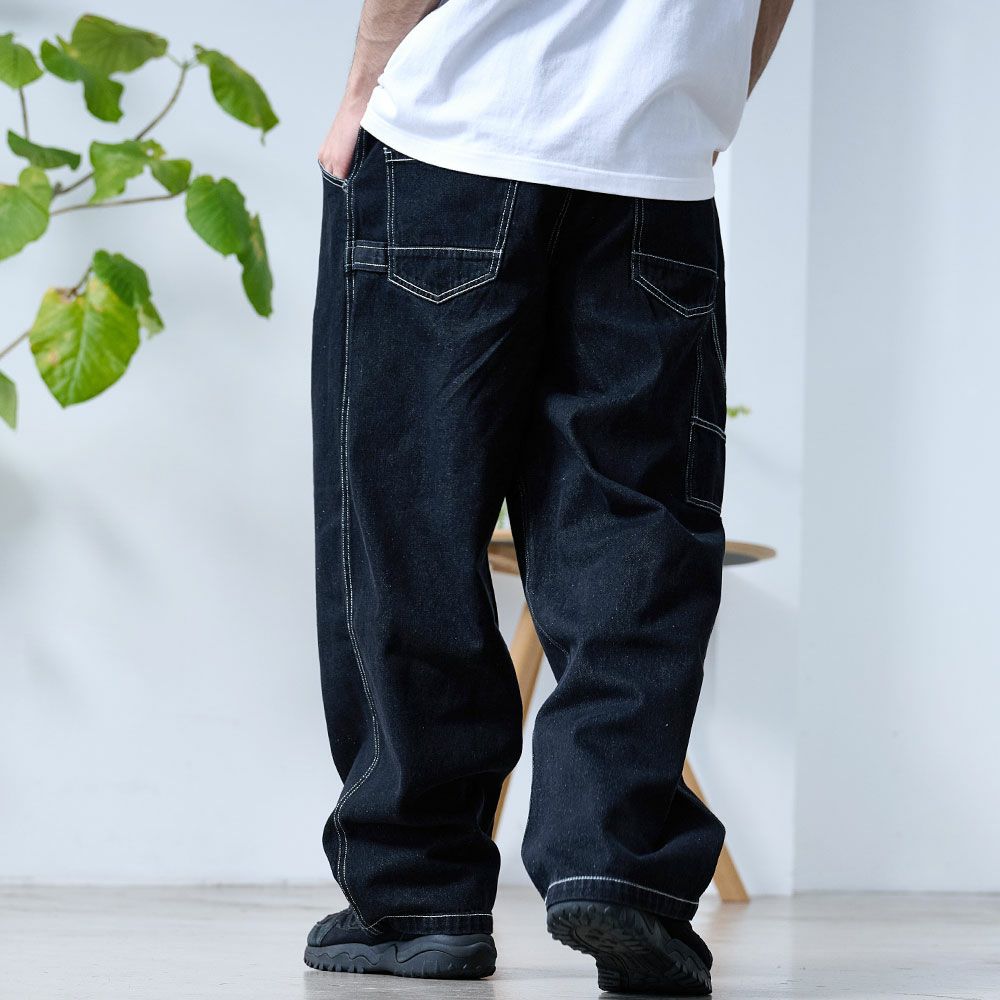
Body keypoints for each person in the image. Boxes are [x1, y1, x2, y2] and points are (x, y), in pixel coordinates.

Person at [305, 0, 792, 993]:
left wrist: (364, 81)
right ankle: (620, 868)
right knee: (633, 529)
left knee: (406, 524)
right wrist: (698, 104)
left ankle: (417, 898)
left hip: (454, 137)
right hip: (654, 161)